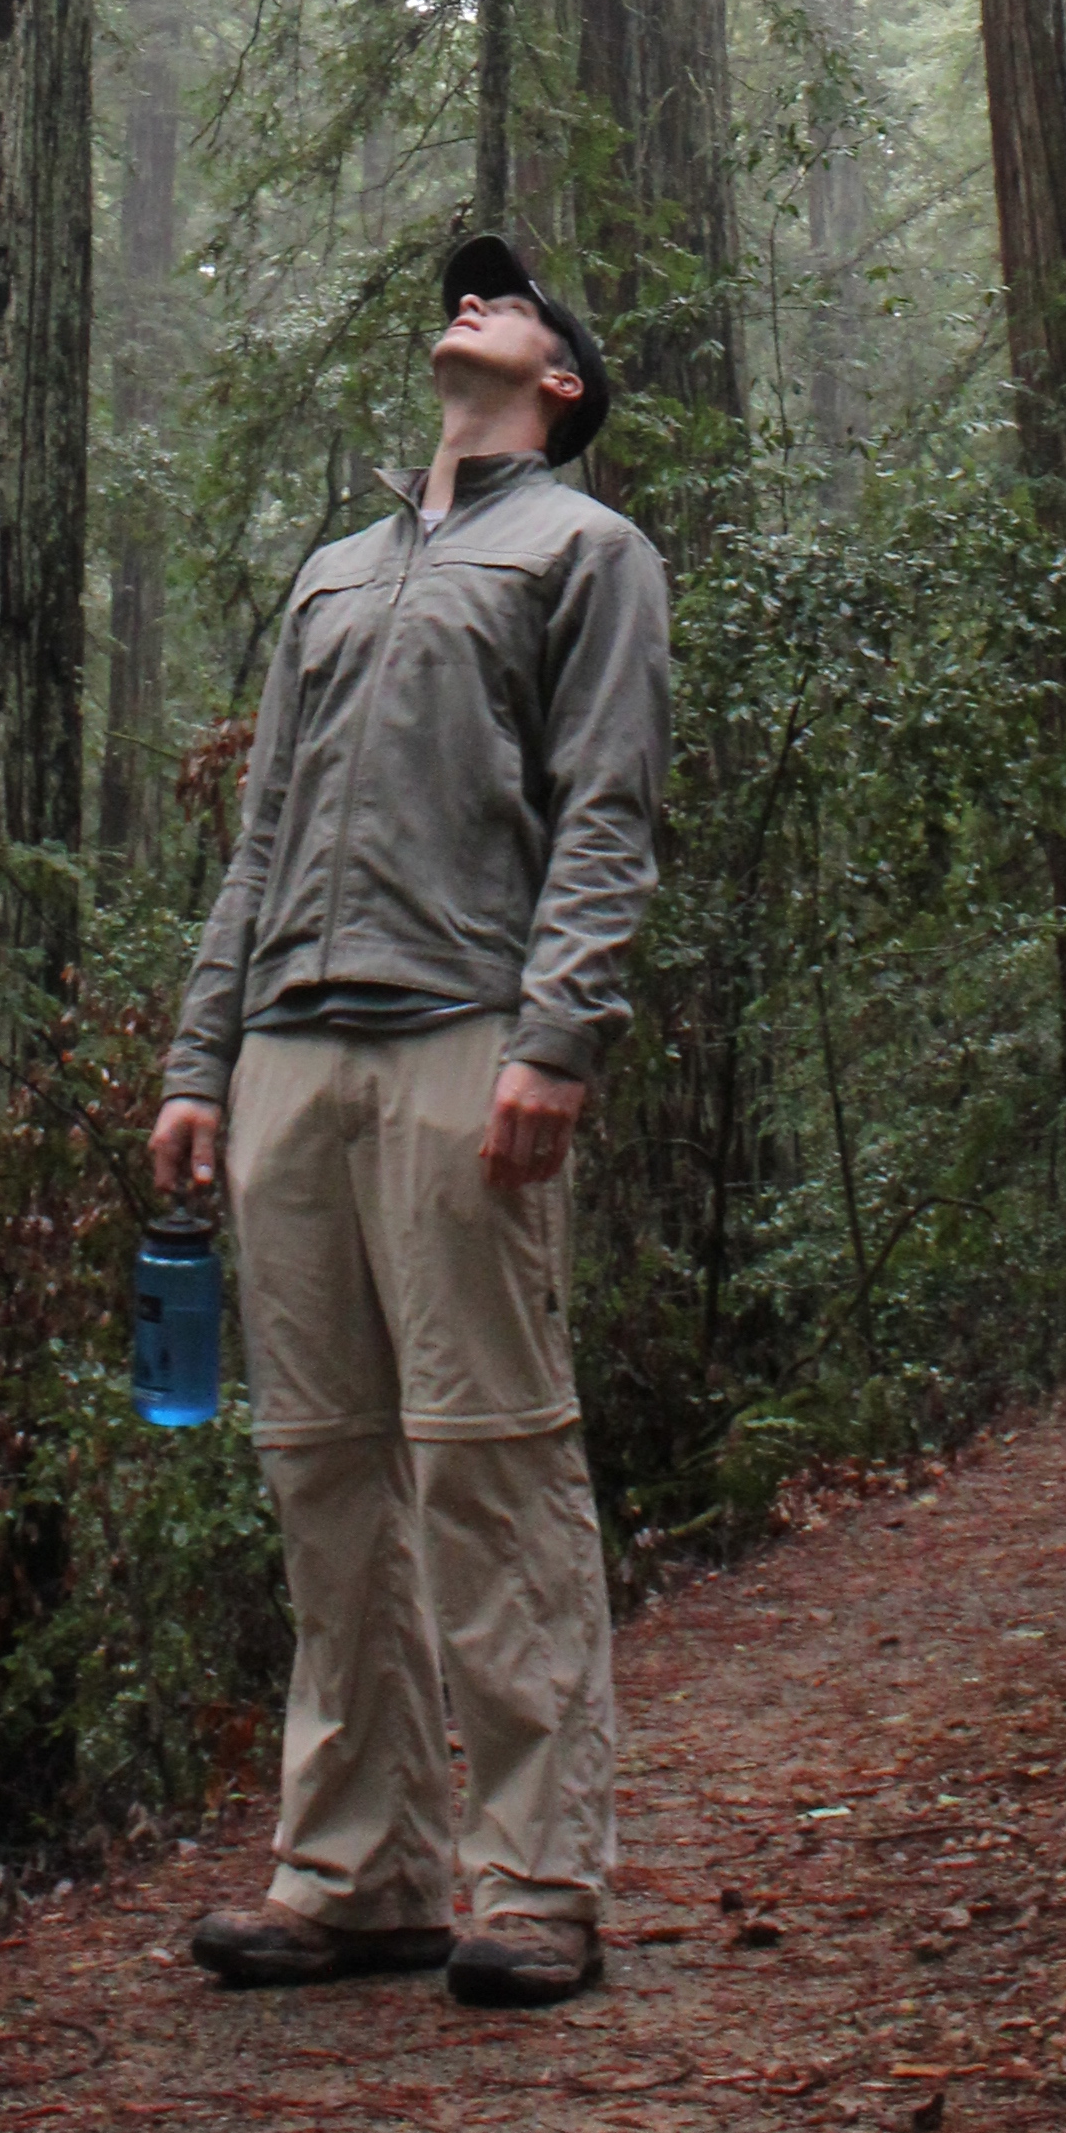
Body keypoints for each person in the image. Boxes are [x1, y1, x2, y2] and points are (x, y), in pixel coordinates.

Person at [148, 233, 671, 2010]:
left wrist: (558, 1037)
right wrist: (197, 1062)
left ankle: (533, 1882)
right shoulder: (332, 575)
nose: (469, 305)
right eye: (463, 295)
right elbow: (262, 834)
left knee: (492, 1451)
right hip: (293, 1050)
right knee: (327, 1467)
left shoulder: (586, 552)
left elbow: (605, 809)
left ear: (561, 383)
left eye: (505, 302)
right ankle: (356, 1867)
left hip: (468, 1037)